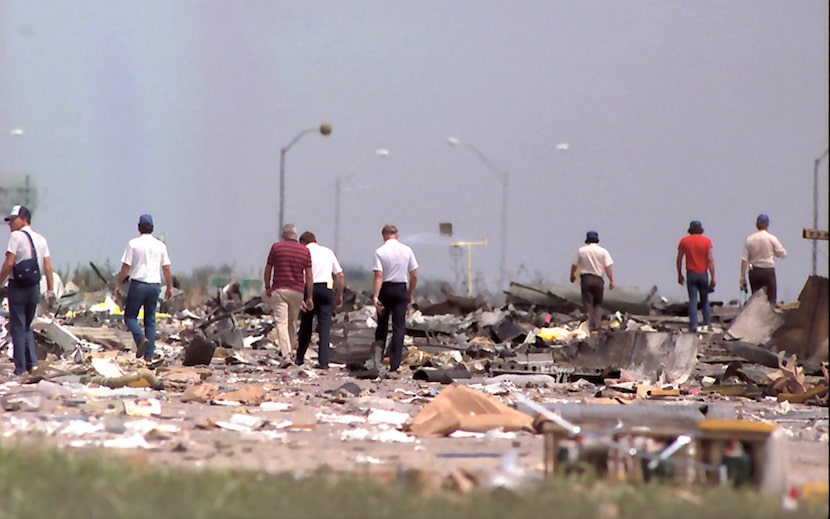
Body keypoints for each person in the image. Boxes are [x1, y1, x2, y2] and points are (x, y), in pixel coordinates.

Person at [0, 205, 54, 376]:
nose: (10, 224)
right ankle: (33, 365)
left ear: (24, 219)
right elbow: (47, 266)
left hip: (18, 287)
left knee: (18, 326)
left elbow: (9, 263)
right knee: (27, 326)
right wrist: (51, 289)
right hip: (34, 287)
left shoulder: (16, 236)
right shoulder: (41, 239)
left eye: (13, 220)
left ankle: (21, 368)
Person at [114, 214, 174, 361]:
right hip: (155, 286)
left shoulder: (133, 244)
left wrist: (118, 283)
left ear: (138, 227)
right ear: (152, 228)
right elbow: (166, 268)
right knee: (150, 320)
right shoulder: (160, 246)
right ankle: (149, 356)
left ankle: (140, 339)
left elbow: (126, 266)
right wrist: (170, 287)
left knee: (130, 317)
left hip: (138, 285)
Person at [264, 223, 313, 363]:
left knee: (281, 322)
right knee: (292, 323)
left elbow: (268, 268)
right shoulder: (305, 251)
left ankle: (286, 355)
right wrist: (309, 297)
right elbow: (309, 276)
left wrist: (267, 286)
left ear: (283, 235)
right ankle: (291, 352)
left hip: (280, 289)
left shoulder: (276, 247)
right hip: (297, 291)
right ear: (295, 235)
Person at [372, 224, 418, 373]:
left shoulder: (379, 251)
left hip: (386, 289)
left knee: (382, 326)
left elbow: (378, 275)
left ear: (383, 236)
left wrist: (375, 296)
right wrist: (410, 292)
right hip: (401, 289)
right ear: (397, 235)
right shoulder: (407, 250)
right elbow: (414, 274)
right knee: (399, 327)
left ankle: (377, 361)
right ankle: (394, 363)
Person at [296, 231, 344, 369]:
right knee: (324, 327)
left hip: (309, 289)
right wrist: (339, 294)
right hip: (326, 288)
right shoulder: (328, 252)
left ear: (302, 242)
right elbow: (340, 275)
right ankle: (324, 361)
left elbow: (300, 275)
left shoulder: (303, 252)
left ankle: (300, 357)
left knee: (306, 325)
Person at [569, 230, 615, 332]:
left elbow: (574, 265)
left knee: (588, 303)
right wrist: (611, 280)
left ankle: (590, 325)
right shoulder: (603, 251)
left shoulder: (581, 251)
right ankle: (596, 326)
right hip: (598, 279)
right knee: (598, 304)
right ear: (597, 239)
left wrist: (572, 275)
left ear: (587, 239)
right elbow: (608, 267)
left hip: (586, 279)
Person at [676, 220, 716, 332]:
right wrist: (713, 277)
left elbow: (679, 259)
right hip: (703, 273)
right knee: (704, 301)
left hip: (691, 274)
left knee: (693, 300)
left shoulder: (684, 241)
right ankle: (707, 323)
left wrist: (679, 274)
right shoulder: (706, 241)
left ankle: (693, 325)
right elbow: (710, 260)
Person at [740, 214, 787, 305]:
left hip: (754, 271)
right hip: (768, 271)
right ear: (767, 225)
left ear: (757, 225)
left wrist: (742, 276)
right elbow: (783, 254)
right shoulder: (771, 238)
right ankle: (768, 317)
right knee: (771, 298)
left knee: (756, 298)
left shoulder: (750, 239)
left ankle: (757, 317)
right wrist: (774, 253)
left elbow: (744, 259)